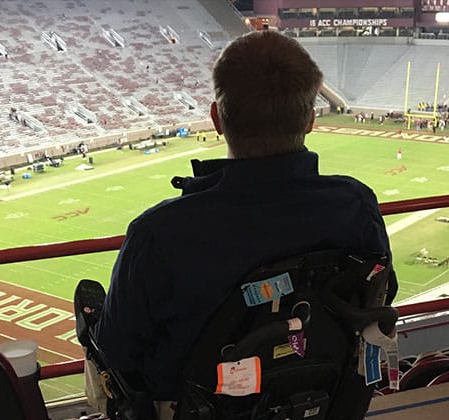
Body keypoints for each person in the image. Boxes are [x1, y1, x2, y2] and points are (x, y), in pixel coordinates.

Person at [94, 31, 394, 401]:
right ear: (310, 120)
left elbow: (117, 352)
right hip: (322, 406)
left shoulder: (159, 233)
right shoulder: (355, 204)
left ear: (217, 119)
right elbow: (378, 294)